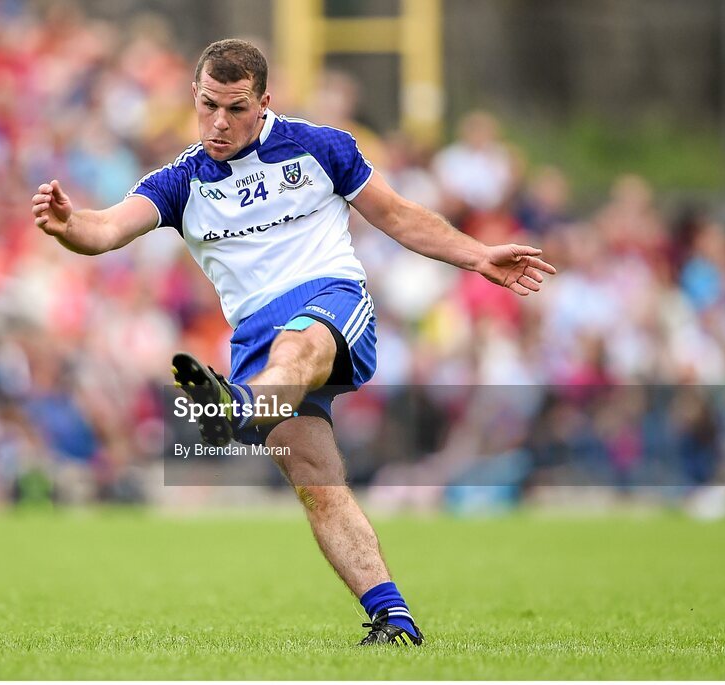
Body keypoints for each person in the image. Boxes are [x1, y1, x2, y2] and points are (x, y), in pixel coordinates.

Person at [32, 39, 556, 646]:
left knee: (298, 346)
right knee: (318, 485)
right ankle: (393, 618)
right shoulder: (181, 181)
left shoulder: (321, 147)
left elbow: (401, 216)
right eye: (208, 106)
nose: (219, 122)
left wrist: (478, 255)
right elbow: (104, 230)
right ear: (194, 99)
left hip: (328, 303)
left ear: (263, 104)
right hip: (254, 339)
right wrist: (69, 224)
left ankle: (237, 410)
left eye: (235, 108)